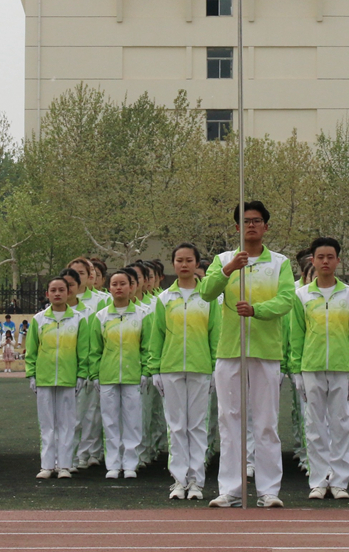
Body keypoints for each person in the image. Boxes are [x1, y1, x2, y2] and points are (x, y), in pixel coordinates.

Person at [200, 201, 295, 509]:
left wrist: (256, 310)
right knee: (230, 421)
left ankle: (268, 490)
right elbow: (206, 292)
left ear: (266, 226)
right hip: (230, 349)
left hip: (265, 350)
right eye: (245, 221)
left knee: (266, 422)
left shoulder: (279, 263)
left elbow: (286, 300)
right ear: (237, 227)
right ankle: (231, 489)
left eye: (256, 220)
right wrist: (229, 269)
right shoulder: (223, 260)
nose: (251, 225)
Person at [286, 236, 349, 501]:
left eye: (330, 257)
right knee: (315, 425)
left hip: (342, 368)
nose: (325, 262)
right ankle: (318, 480)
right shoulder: (301, 295)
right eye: (320, 257)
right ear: (313, 260)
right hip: (312, 366)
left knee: (341, 424)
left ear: (338, 260)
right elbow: (296, 335)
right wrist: (297, 370)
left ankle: (340, 482)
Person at [147, 243, 219, 500]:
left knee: (197, 426)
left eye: (189, 260)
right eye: (179, 260)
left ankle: (196, 481)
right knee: (176, 426)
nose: (184, 264)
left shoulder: (210, 298)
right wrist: (155, 369)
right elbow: (157, 335)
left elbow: (216, 334)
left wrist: (215, 367)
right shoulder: (164, 299)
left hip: (201, 368)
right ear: (173, 264)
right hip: (171, 368)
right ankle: (179, 480)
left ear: (197, 263)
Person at [85, 269, 153, 480]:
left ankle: (131, 463)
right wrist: (95, 374)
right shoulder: (101, 316)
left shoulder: (142, 315)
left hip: (133, 376)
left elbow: (147, 347)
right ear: (109, 288)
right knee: (110, 421)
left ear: (132, 287)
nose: (119, 288)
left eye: (123, 284)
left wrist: (146, 371)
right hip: (108, 376)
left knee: (133, 421)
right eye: (114, 284)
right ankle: (113, 464)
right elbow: (94, 349)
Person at [25, 276, 90, 479]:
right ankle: (47, 465)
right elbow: (31, 350)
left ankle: (64, 465)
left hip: (68, 378)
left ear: (68, 292)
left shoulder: (79, 319)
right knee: (47, 424)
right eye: (53, 290)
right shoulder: (39, 319)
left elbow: (84, 350)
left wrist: (81, 374)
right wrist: (32, 374)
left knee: (67, 424)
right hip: (44, 378)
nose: (57, 293)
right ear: (47, 294)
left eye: (61, 289)